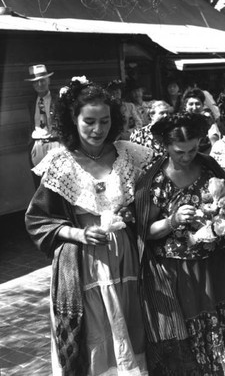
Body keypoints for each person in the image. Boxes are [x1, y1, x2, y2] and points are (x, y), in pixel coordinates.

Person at [24, 77, 152, 375]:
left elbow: (149, 201)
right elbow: (37, 220)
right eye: (89, 121)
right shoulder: (61, 163)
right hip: (85, 267)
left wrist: (133, 215)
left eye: (105, 121)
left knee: (132, 331)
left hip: (129, 263)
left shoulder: (129, 154)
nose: (98, 130)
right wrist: (78, 233)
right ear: (73, 119)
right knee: (96, 337)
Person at [134, 112, 225, 375]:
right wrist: (173, 220)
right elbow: (145, 231)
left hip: (215, 268)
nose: (187, 157)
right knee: (191, 333)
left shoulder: (209, 166)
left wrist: (222, 217)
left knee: (222, 324)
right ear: (165, 146)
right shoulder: (155, 180)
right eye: (179, 152)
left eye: (193, 149)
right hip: (178, 274)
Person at [25, 64, 62, 187]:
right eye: (36, 82)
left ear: (48, 80)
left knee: (58, 182)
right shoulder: (31, 102)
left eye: (42, 80)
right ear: (33, 85)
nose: (39, 84)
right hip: (37, 145)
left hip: (55, 143)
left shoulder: (58, 99)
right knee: (40, 184)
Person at [182, 87, 214, 154]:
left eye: (197, 104)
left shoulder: (208, 122)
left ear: (202, 105)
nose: (194, 107)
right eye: (191, 104)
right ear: (185, 106)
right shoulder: (181, 123)